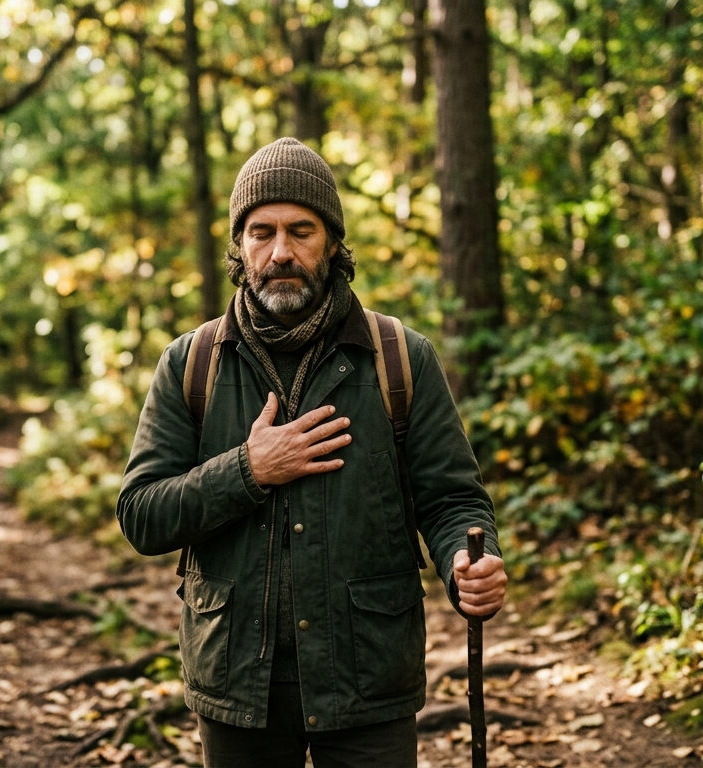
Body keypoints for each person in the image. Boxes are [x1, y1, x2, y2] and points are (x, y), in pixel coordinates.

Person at [117, 137, 505, 768]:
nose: (281, 253)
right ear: (239, 247)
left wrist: (471, 558)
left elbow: (452, 498)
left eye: (302, 231)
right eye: (262, 232)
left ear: (332, 243)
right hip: (236, 679)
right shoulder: (190, 365)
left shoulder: (400, 359)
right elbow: (142, 513)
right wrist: (247, 470)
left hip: (367, 680)